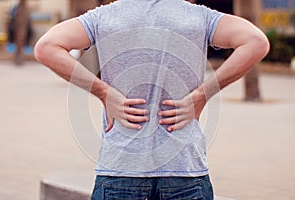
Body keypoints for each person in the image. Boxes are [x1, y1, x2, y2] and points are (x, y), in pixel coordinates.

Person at [35, 0, 269, 199]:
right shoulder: (199, 17)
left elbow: (46, 47)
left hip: (120, 169)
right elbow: (256, 42)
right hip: (186, 170)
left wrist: (104, 93)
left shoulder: (104, 17)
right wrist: (202, 96)